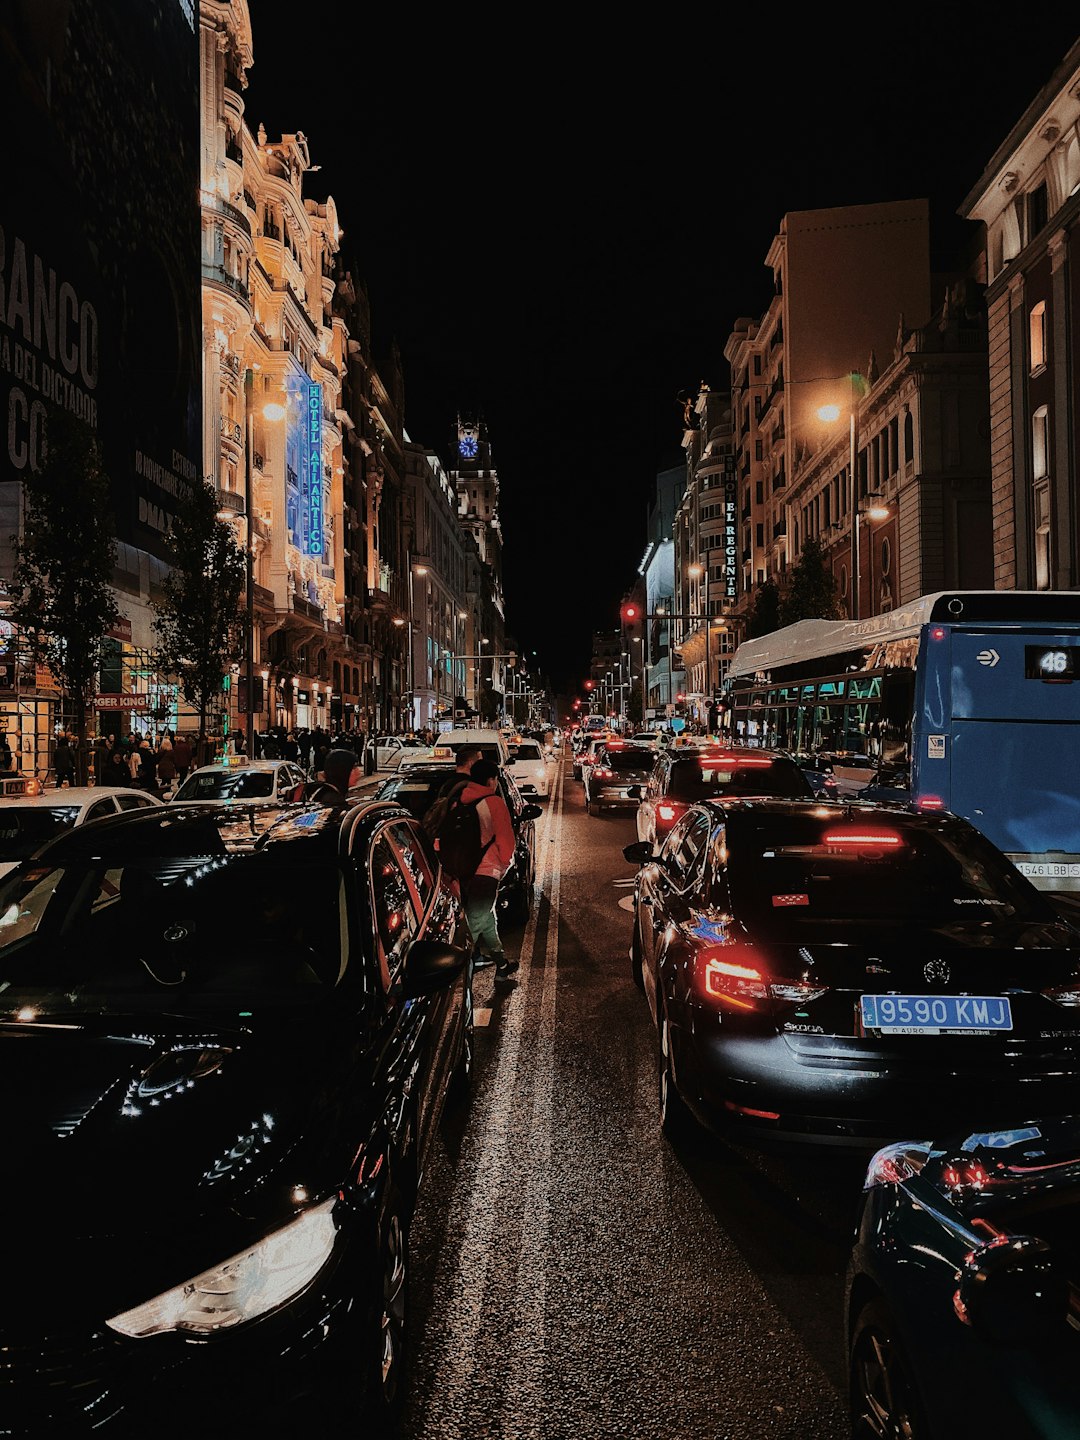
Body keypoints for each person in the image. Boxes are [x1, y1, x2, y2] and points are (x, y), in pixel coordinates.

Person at [452, 758, 519, 978]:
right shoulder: (494, 802)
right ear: (491, 780)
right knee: (474, 926)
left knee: (487, 919)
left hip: (463, 871)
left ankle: (501, 965)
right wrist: (504, 865)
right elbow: (506, 840)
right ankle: (456, 976)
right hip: (486, 872)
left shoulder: (459, 800)